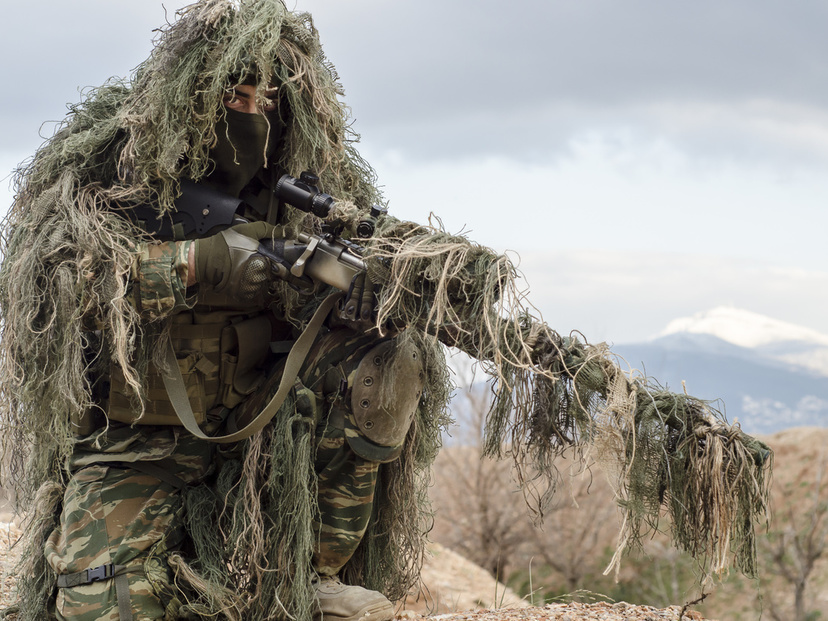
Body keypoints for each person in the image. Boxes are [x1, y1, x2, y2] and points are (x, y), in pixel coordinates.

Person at [0, 2, 448, 620]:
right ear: (191, 98)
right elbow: (47, 293)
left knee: (393, 355)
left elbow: (350, 285)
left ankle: (307, 571)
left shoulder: (306, 184)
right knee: (100, 603)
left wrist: (363, 297)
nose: (253, 115)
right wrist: (198, 262)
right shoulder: (105, 173)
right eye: (235, 97)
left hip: (258, 429)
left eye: (268, 102)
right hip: (136, 440)